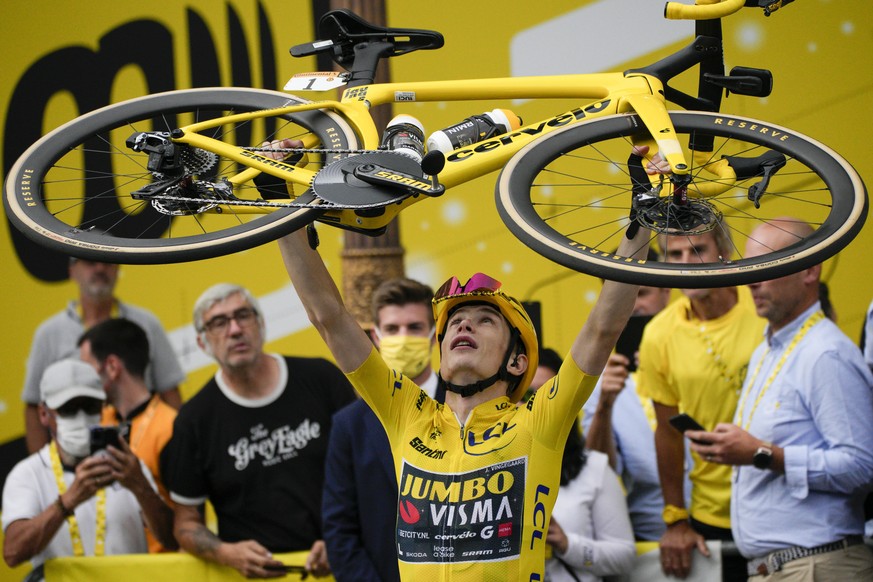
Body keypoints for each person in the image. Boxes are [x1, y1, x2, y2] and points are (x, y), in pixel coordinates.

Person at [278, 207, 650, 580]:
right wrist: (284, 213)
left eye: (485, 319)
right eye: (454, 321)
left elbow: (604, 326)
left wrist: (643, 217)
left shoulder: (537, 421)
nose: (464, 324)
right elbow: (328, 316)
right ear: (441, 354)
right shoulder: (408, 413)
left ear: (518, 363)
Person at [687, 218, 873, 580]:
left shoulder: (826, 353)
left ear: (809, 270)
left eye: (767, 266)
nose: (752, 279)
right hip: (781, 567)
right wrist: (735, 449)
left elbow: (862, 467)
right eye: (749, 266)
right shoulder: (767, 349)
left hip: (819, 565)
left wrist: (761, 455)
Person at [159, 283, 356, 579]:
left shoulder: (321, 378)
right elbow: (186, 524)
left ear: (261, 325)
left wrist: (343, 537)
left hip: (342, 565)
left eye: (243, 316)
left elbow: (367, 471)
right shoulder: (194, 420)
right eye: (219, 323)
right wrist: (226, 553)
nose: (235, 329)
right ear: (202, 343)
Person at [636, 226, 766, 581]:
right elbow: (667, 433)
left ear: (724, 252)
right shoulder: (659, 333)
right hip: (711, 514)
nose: (687, 263)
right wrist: (675, 518)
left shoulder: (762, 304)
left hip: (780, 499)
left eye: (698, 251)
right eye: (675, 255)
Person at [322, 277, 442, 582]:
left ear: (433, 335)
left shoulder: (469, 407)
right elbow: (339, 530)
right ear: (375, 337)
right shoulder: (349, 425)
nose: (403, 337)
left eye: (414, 327)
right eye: (392, 329)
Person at [2, 359, 175, 570]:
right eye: (69, 409)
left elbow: (171, 540)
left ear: (102, 408)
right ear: (44, 414)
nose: (81, 417)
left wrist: (140, 486)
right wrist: (66, 502)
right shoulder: (28, 474)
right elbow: (12, 553)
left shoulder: (126, 465)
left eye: (90, 406)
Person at [22, 257, 184, 453]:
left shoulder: (146, 323)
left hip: (145, 444)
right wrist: (45, 469)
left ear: (118, 269)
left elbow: (169, 391)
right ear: (72, 271)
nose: (100, 268)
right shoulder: (48, 334)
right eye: (90, 262)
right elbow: (33, 405)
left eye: (107, 261)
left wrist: (180, 448)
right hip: (75, 453)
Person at [582, 277, 691, 542]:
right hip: (653, 539)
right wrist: (605, 405)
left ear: (667, 290)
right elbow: (601, 471)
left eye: (641, 293)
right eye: (619, 297)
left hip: (725, 523)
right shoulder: (602, 381)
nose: (631, 306)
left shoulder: (697, 351)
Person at [532, 349, 636, 582]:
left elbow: (625, 557)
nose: (535, 404)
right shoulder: (487, 471)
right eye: (526, 393)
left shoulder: (594, 468)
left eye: (547, 394)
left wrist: (566, 544)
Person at [78, 318, 179, 553]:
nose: (82, 381)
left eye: (87, 368)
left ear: (112, 367)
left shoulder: (171, 427)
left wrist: (140, 485)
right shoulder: (98, 424)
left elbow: (189, 525)